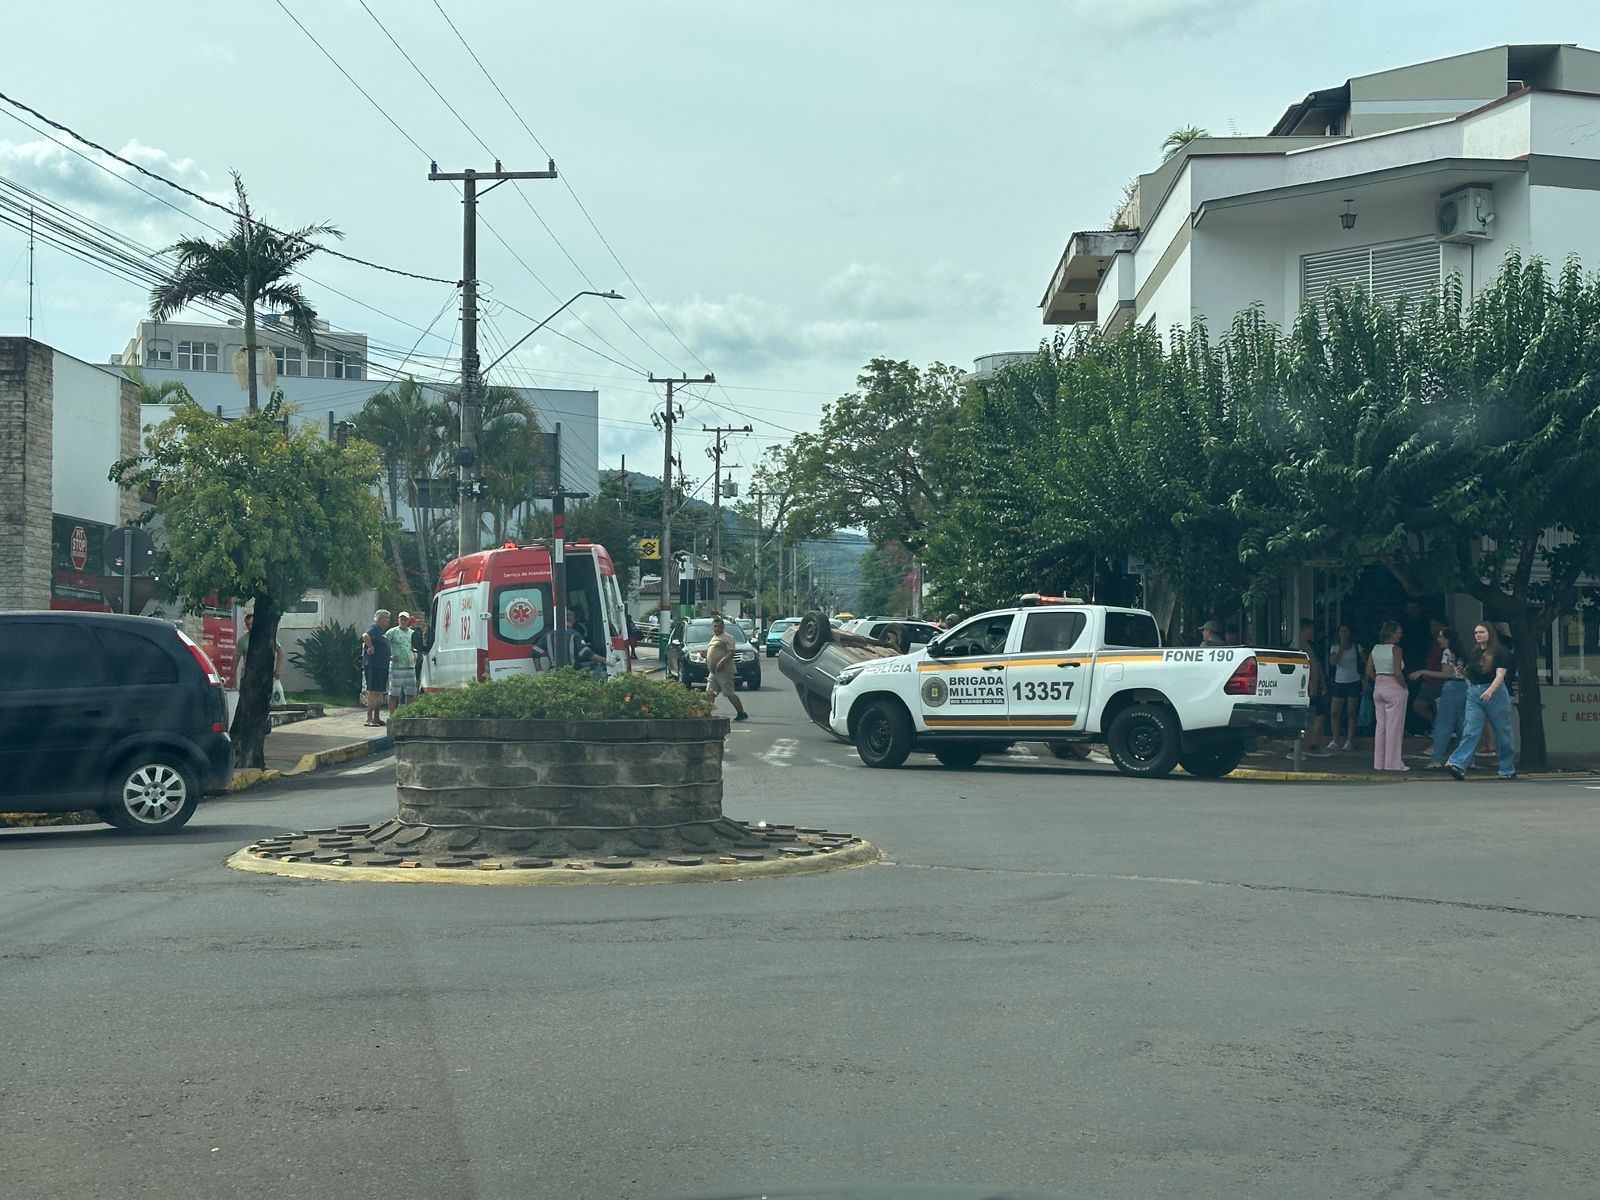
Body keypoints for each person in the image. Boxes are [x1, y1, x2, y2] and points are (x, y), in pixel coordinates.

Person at [1446, 623, 1517, 781]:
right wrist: (1462, 672)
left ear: (1489, 633)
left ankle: (1507, 769)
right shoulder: (1475, 653)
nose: (1478, 635)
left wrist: (1490, 691)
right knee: (1470, 730)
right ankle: (1457, 764)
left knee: (1503, 732)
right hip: (1475, 691)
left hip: (1495, 692)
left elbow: (1500, 675)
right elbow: (1472, 676)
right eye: (1476, 632)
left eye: (1482, 632)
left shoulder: (1500, 652)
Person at [1412, 626, 1467, 769]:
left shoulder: (1447, 652)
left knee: (1443, 724)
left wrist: (1423, 672)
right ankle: (1466, 760)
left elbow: (1446, 673)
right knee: (1462, 725)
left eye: (1441, 637)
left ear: (1448, 639)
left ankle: (1436, 759)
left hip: (1451, 687)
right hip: (1464, 687)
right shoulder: (1461, 652)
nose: (1438, 639)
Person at [1366, 620, 1408, 771]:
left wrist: (1378, 680)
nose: (1400, 635)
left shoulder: (1375, 648)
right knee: (1394, 727)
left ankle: (1379, 763)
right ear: (1391, 633)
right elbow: (1397, 671)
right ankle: (1393, 763)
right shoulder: (1396, 649)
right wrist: (1404, 686)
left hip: (1379, 686)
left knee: (1381, 727)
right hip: (1394, 687)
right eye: (1399, 632)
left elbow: (1368, 670)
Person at [1325, 624, 1364, 751]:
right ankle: (1335, 739)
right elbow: (1333, 662)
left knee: (1351, 712)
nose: (1343, 634)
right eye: (1341, 631)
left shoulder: (1356, 647)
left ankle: (1350, 740)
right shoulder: (1334, 647)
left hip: (1354, 681)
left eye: (1346, 631)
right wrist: (1341, 648)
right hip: (1339, 681)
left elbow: (1364, 660)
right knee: (1334, 712)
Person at [532, 610, 605, 677]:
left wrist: (539, 671)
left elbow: (535, 652)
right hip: (572, 673)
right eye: (573, 616)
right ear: (571, 618)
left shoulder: (547, 635)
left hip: (554, 674)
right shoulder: (575, 635)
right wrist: (605, 660)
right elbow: (585, 653)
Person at [1295, 619, 1330, 757]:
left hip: (1313, 685)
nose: (1313, 632)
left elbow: (1317, 665)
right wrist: (1311, 684)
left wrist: (1321, 682)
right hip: (1306, 686)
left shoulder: (1309, 645)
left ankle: (1313, 743)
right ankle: (1304, 746)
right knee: (1310, 715)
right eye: (1311, 629)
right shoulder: (1297, 645)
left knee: (1318, 714)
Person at [704, 616, 748, 721]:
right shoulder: (714, 637)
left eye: (719, 626)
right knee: (709, 693)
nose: (717, 628)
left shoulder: (727, 637)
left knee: (729, 693)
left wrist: (721, 661)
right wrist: (705, 655)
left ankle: (741, 713)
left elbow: (731, 652)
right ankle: (706, 714)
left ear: (723, 627)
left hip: (724, 670)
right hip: (713, 671)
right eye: (715, 626)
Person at [238, 611, 285, 705]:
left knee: (265, 701)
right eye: (247, 625)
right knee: (248, 700)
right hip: (249, 675)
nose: (250, 627)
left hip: (264, 674)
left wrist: (277, 669)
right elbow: (236, 657)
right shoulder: (243, 640)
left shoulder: (266, 636)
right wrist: (233, 674)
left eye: (251, 624)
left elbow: (281, 651)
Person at [360, 609, 392, 727]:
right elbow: (365, 636)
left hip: (382, 665)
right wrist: (371, 647)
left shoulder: (382, 632)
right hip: (373, 664)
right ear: (380, 619)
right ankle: (369, 718)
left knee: (379, 692)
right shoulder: (374, 628)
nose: (388, 621)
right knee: (373, 691)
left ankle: (377, 717)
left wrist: (389, 657)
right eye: (386, 618)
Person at [385, 611, 418, 711]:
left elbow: (414, 647)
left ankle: (407, 713)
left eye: (405, 620)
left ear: (408, 621)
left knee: (410, 693)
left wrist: (415, 656)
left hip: (410, 666)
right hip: (397, 667)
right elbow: (383, 645)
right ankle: (392, 715)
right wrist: (389, 657)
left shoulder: (412, 633)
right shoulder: (391, 632)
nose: (403, 621)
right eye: (401, 619)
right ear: (398, 620)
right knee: (394, 693)